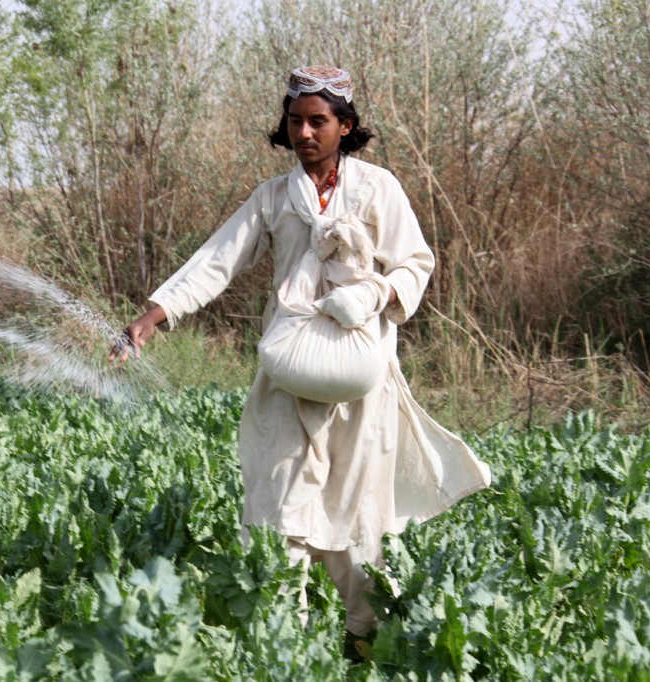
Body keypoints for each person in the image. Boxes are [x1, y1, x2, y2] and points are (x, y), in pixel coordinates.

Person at [109, 65, 491, 662]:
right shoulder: (272, 198)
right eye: (296, 122)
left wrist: (372, 295)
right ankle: (283, 646)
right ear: (284, 128)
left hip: (360, 380)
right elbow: (217, 261)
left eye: (319, 121)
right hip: (288, 375)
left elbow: (415, 263)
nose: (306, 132)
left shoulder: (378, 188)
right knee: (277, 503)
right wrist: (153, 317)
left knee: (356, 513)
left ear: (346, 126)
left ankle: (366, 643)